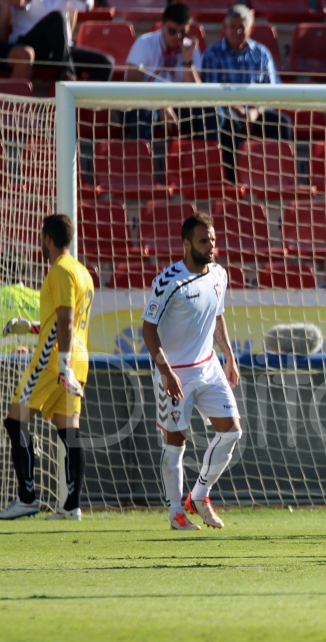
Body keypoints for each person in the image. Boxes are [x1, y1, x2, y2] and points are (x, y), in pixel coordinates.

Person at [139, 213, 241, 531]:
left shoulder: (219, 275)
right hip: (176, 374)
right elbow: (148, 329)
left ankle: (198, 496)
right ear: (186, 244)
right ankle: (175, 513)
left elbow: (218, 316)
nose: (211, 245)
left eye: (212, 239)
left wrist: (229, 356)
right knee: (175, 447)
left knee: (232, 432)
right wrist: (166, 371)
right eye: (203, 240)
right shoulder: (169, 282)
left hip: (209, 367)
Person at [0, 214, 95, 521]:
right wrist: (30, 327)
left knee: (15, 422)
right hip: (77, 359)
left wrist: (62, 365)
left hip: (53, 361)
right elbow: (63, 321)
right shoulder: (83, 272)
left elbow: (65, 321)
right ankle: (72, 506)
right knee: (70, 431)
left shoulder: (59, 271)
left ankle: (27, 499)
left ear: (47, 239)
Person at [200, 5, 289, 176]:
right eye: (233, 27)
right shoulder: (212, 54)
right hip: (227, 111)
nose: (237, 31)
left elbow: (272, 91)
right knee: (228, 124)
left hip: (256, 111)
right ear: (225, 27)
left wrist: (256, 111)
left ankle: (279, 176)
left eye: (242, 27)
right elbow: (211, 93)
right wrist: (237, 108)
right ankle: (231, 179)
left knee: (282, 123)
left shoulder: (261, 53)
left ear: (251, 28)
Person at [122, 2, 203, 140]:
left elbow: (197, 94)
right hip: (146, 103)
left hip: (179, 105)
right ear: (162, 25)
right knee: (142, 113)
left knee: (209, 113)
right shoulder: (145, 43)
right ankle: (143, 154)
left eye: (183, 32)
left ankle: (210, 153)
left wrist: (187, 61)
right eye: (172, 31)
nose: (177, 36)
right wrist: (160, 103)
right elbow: (132, 86)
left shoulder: (190, 48)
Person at [2, 0, 112, 82]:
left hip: (60, 48)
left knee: (105, 64)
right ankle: (67, 74)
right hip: (29, 45)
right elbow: (18, 2)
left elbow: (87, 5)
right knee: (57, 17)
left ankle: (81, 104)